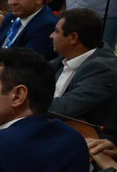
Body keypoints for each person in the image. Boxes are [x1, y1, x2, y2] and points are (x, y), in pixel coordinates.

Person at [48, 8, 117, 143]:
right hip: (62, 127)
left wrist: (23, 100)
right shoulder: (67, 56)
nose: (51, 36)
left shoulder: (102, 69)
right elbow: (35, 70)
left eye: (56, 31)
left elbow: (63, 109)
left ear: (73, 38)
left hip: (92, 140)